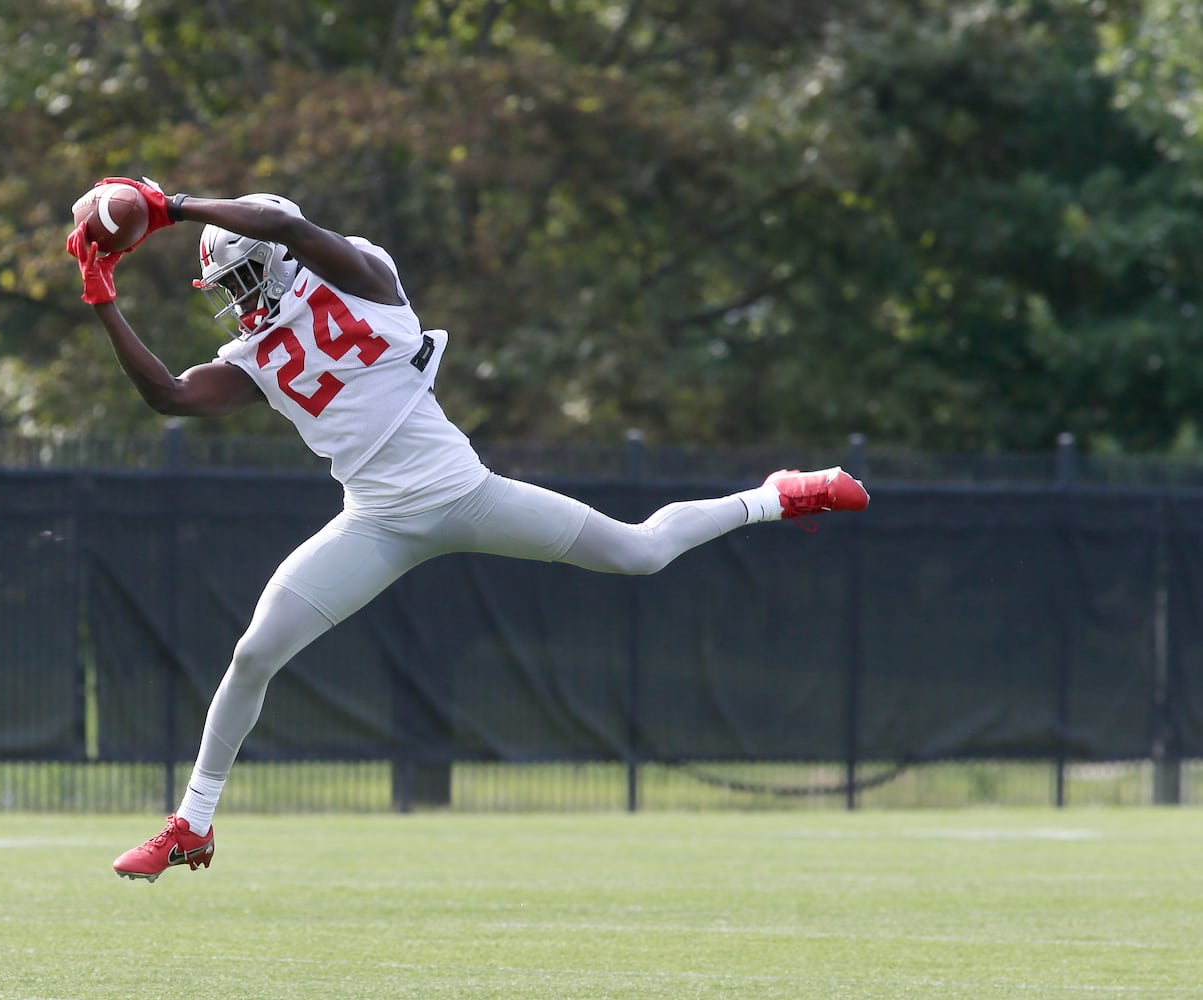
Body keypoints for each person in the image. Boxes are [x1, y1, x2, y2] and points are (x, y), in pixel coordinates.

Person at [66, 177, 869, 882]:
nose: (236, 296)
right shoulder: (253, 352)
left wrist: (166, 205)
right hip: (374, 520)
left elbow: (284, 229)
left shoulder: (361, 274)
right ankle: (192, 825)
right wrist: (103, 299)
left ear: (277, 261)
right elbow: (169, 396)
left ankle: (775, 497)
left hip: (462, 492)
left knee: (639, 552)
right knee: (253, 653)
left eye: (243, 276)